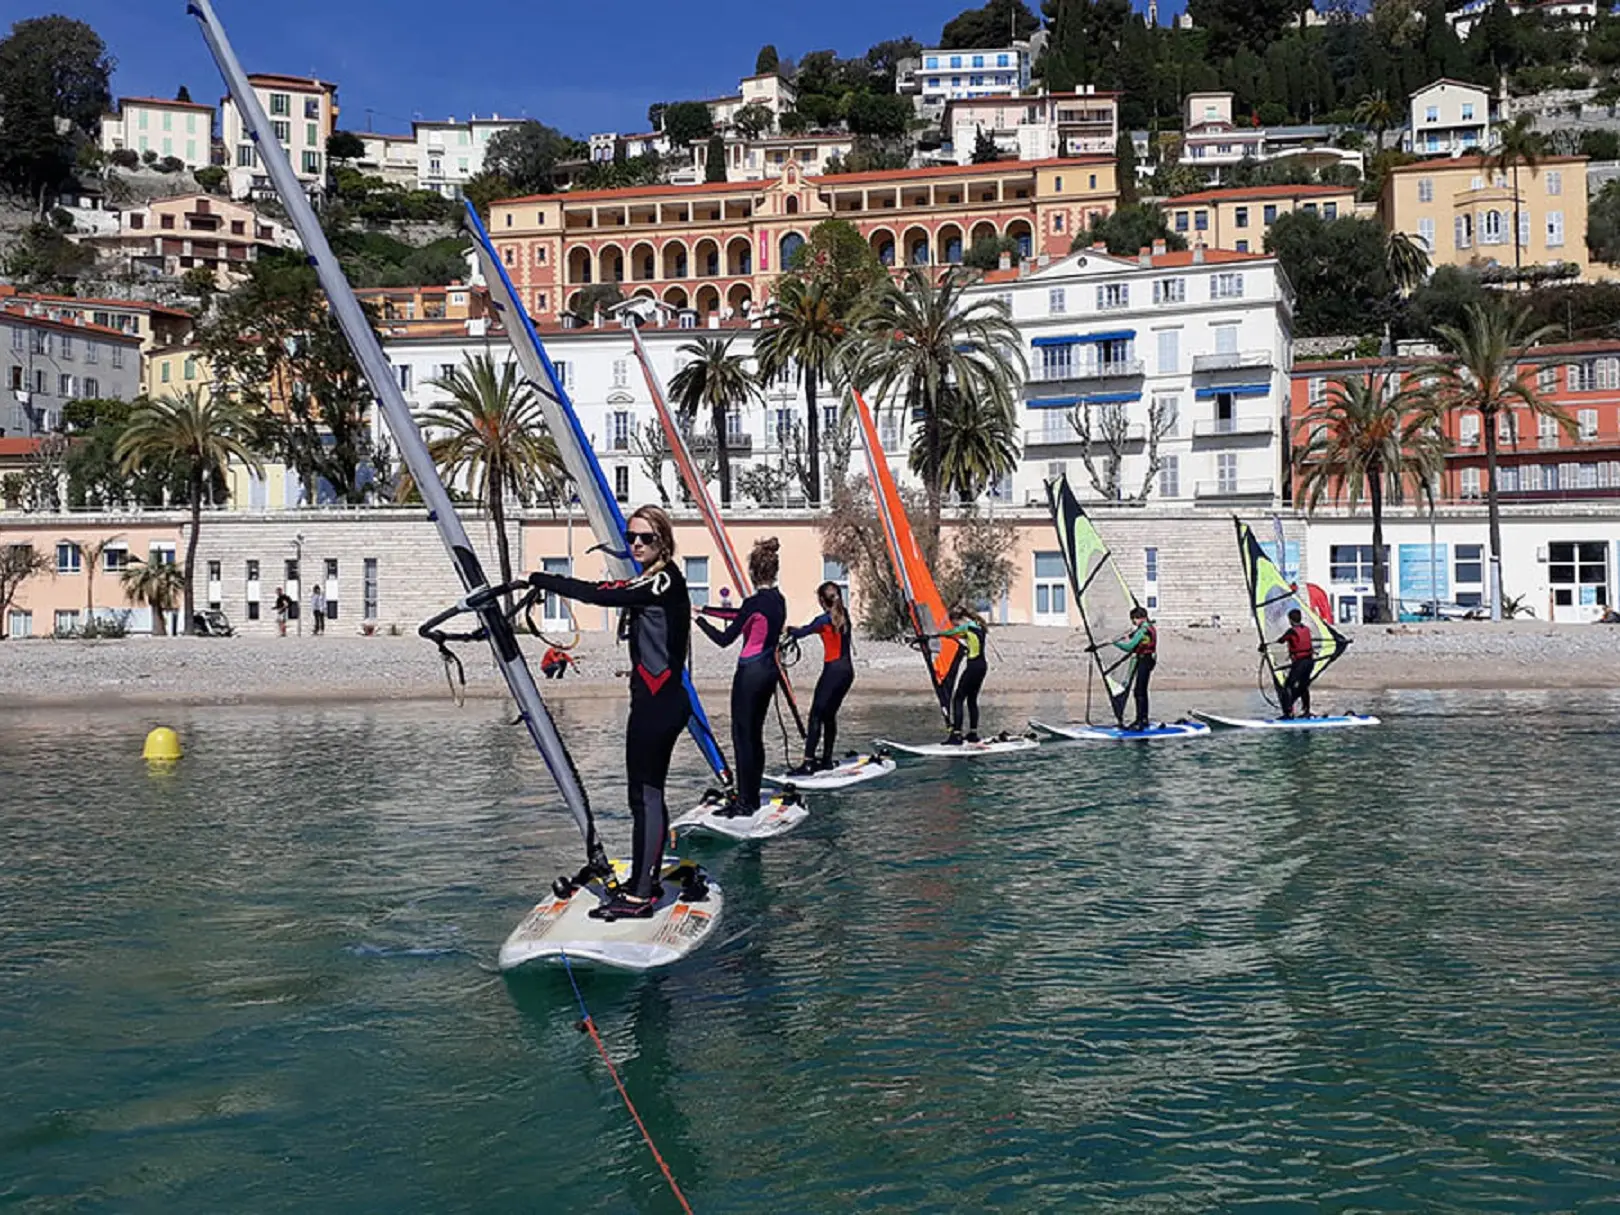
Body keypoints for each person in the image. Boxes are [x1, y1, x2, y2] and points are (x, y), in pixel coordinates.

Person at [526, 506, 691, 919]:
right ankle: (645, 881)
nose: (636, 544)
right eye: (631, 536)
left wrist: (543, 579)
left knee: (645, 796)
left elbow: (604, 594)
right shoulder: (648, 579)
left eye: (646, 538)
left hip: (660, 706)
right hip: (653, 704)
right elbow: (615, 588)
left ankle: (641, 894)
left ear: (664, 541)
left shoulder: (665, 581)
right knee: (645, 795)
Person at [696, 538, 785, 815]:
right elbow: (740, 614)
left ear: (752, 572)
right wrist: (706, 609)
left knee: (741, 736)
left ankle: (745, 803)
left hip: (749, 673)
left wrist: (698, 621)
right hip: (770, 672)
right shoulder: (778, 600)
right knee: (754, 736)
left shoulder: (753, 602)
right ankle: (752, 796)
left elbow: (725, 638)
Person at [784, 581, 855, 776]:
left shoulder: (823, 620)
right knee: (829, 716)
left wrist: (787, 629)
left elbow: (802, 632)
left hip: (833, 672)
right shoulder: (844, 615)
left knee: (816, 715)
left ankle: (807, 763)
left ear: (822, 601)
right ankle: (826, 760)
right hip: (847, 673)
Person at [936, 605, 988, 745]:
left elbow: (950, 632)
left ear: (958, 619)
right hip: (982, 666)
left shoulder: (967, 627)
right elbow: (965, 637)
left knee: (958, 699)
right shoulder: (979, 625)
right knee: (972, 700)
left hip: (973, 666)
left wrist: (936, 634)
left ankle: (956, 735)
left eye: (954, 621)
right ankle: (973, 734)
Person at [1107, 605, 1156, 732]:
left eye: (1133, 619)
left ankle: (1140, 721)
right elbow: (1138, 642)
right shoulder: (1147, 627)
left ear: (1139, 618)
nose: (1133, 622)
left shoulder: (1143, 630)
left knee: (1139, 691)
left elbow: (1130, 647)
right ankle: (1143, 719)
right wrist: (1129, 637)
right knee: (1141, 691)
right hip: (1148, 659)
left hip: (1145, 660)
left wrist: (1115, 643)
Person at [1269, 608, 1316, 719]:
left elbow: (1281, 640)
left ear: (1290, 620)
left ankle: (1289, 713)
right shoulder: (1306, 629)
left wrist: (1264, 645)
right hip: (1310, 662)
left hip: (1300, 663)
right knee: (1303, 686)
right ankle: (1306, 711)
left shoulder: (1291, 631)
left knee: (1288, 686)